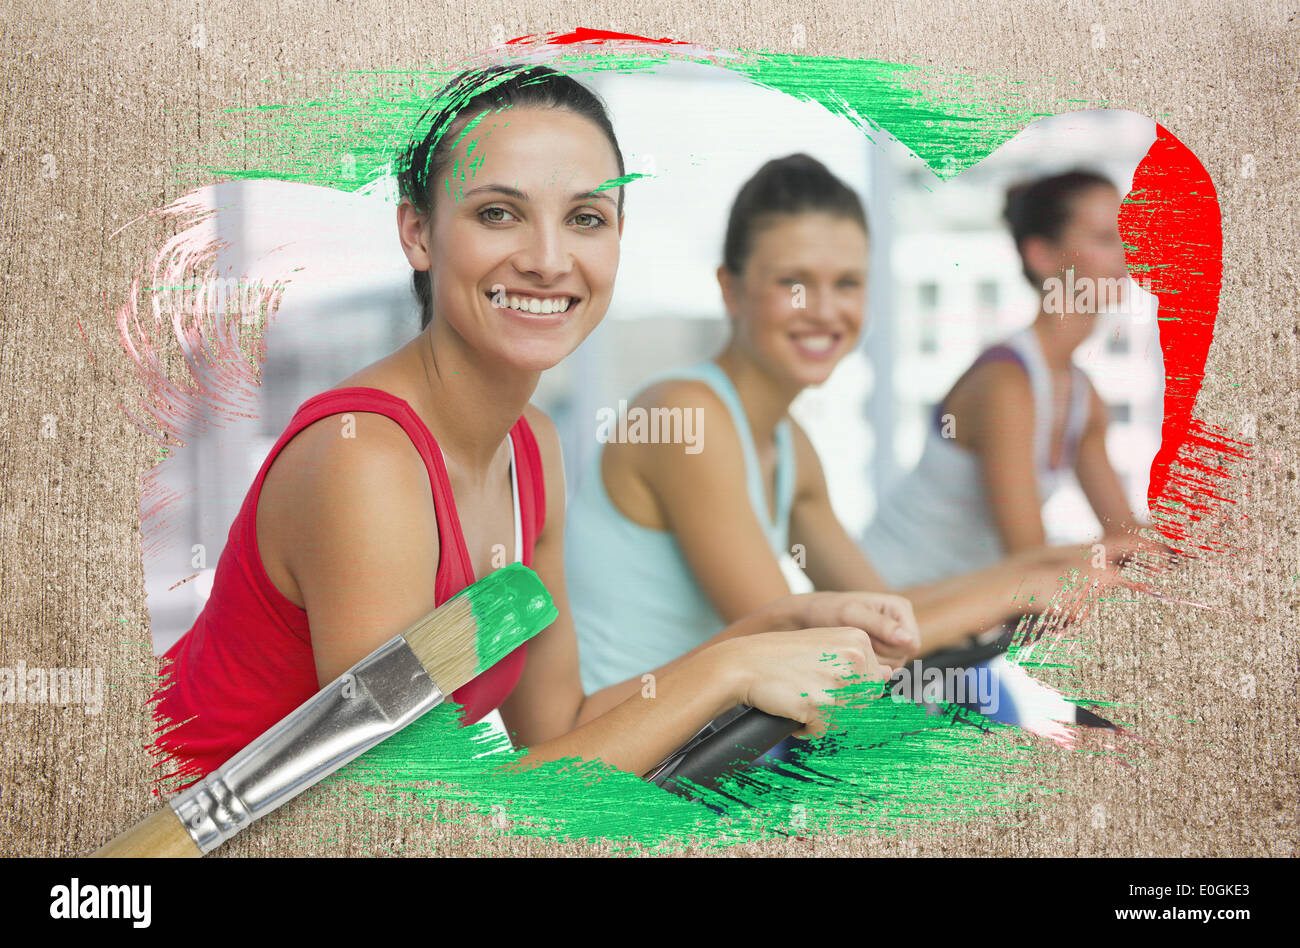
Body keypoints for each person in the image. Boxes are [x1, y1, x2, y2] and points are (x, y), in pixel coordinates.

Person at [151, 66, 910, 787]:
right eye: (497, 213)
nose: (549, 261)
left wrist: (769, 629)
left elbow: (561, 731)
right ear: (417, 231)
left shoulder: (530, 447)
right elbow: (410, 816)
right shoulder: (368, 464)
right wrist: (729, 670)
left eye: (585, 218)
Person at [566, 154, 1122, 713]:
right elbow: (800, 646)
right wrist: (1018, 587)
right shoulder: (686, 418)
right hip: (633, 764)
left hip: (708, 742)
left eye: (848, 283)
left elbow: (883, 607)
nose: (824, 310)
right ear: (730, 290)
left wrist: (1041, 572)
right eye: (794, 282)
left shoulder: (791, 446)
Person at [862, 169, 1158, 590]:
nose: (1126, 257)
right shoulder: (1007, 383)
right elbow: (1031, 563)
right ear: (1041, 255)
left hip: (954, 623)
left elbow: (1124, 536)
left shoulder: (1082, 396)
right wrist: (1126, 551)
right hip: (884, 602)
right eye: (1105, 239)